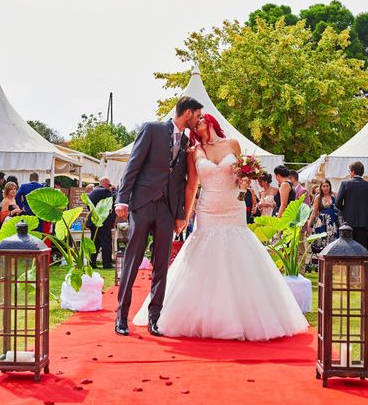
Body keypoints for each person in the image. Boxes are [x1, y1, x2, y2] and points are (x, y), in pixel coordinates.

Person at [133, 113, 308, 340]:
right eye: (194, 124)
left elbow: (243, 174)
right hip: (207, 208)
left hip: (233, 206)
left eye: (200, 121)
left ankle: (247, 315)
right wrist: (184, 216)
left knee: (239, 252)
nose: (197, 125)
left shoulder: (232, 144)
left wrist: (245, 180)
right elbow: (191, 186)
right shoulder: (193, 151)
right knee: (204, 253)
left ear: (211, 121)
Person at [114, 96, 203, 337]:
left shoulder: (186, 141)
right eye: (197, 115)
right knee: (132, 262)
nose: (198, 120)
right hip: (142, 204)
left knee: (162, 265)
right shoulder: (152, 129)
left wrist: (180, 214)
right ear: (187, 113)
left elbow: (182, 180)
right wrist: (122, 198)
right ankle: (121, 317)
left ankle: (155, 319)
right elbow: (133, 165)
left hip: (166, 209)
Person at [335, 161, 368, 249]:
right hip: (364, 224)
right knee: (363, 250)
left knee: (348, 250)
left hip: (348, 223)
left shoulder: (345, 184)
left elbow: (337, 203)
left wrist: (345, 210)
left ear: (353, 172)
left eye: (349, 171)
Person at [87, 176, 116, 269]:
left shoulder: (93, 192)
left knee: (95, 243)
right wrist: (115, 191)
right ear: (106, 184)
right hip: (103, 222)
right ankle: (107, 264)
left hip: (93, 221)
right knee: (106, 243)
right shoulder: (105, 192)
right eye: (109, 185)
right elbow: (113, 201)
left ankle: (92, 263)